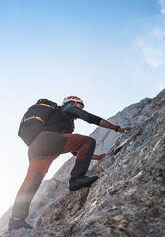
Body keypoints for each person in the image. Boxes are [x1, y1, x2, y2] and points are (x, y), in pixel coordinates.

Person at [8, 96, 131, 230]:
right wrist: (117, 128)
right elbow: (89, 118)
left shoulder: (65, 124)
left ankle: (16, 219)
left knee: (31, 182)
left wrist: (97, 157)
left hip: (36, 147)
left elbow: (74, 151)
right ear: (72, 102)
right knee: (88, 141)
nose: (80, 109)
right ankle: (76, 178)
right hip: (46, 141)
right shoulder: (67, 108)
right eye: (80, 106)